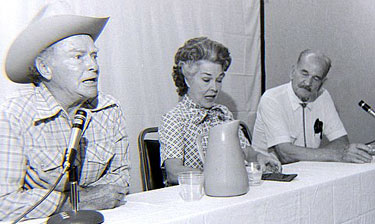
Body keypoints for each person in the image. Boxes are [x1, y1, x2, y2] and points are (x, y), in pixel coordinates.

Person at [0, 15, 130, 221]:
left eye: (94, 56)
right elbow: (3, 203)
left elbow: (119, 181)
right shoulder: (12, 115)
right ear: (44, 68)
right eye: (78, 57)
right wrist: (75, 201)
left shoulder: (109, 109)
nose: (93, 66)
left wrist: (46, 194)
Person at [159, 37, 281, 185]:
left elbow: (246, 151)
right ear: (187, 78)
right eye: (206, 80)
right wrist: (217, 176)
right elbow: (173, 172)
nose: (214, 88)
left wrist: (260, 157)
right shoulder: (174, 118)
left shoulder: (223, 113)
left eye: (219, 80)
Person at [252, 49, 373, 164]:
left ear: (322, 83)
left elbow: (341, 142)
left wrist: (334, 153)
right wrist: (336, 154)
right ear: (292, 72)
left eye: (316, 78)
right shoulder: (272, 98)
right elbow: (285, 153)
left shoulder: (323, 96)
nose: (308, 83)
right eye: (304, 73)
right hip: (270, 176)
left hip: (308, 171)